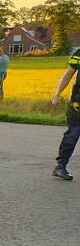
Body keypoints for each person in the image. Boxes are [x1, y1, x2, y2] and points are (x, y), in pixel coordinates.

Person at [50, 47, 80, 180]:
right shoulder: (79, 53)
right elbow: (68, 74)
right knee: (73, 133)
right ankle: (60, 166)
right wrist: (57, 94)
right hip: (78, 102)